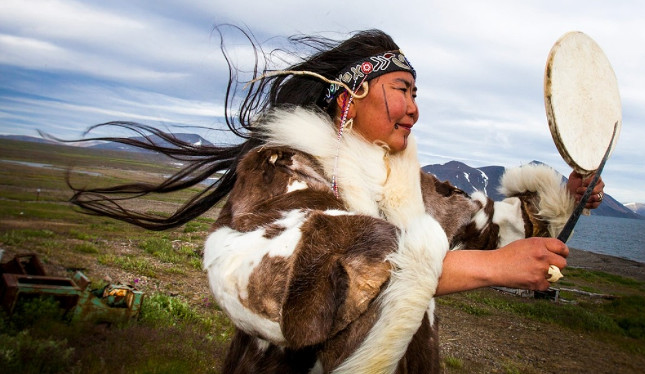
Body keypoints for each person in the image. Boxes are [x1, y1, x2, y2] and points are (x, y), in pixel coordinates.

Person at [68, 28, 605, 374]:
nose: (415, 109)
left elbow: (483, 223)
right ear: (350, 96)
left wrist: (560, 200)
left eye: (418, 94)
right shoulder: (281, 167)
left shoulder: (403, 186)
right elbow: (289, 277)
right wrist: (482, 270)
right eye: (402, 89)